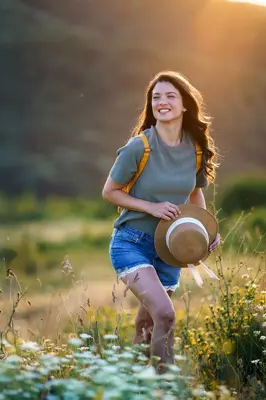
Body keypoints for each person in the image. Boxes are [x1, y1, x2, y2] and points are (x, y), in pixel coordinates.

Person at [102, 70, 221, 371]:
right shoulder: (139, 147)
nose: (162, 102)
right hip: (132, 244)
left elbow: (195, 195)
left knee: (146, 324)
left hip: (171, 249)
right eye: (156, 97)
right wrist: (151, 207)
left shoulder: (194, 149)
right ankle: (164, 388)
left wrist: (205, 231)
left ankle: (131, 384)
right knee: (165, 315)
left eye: (170, 96)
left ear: (184, 106)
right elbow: (110, 192)